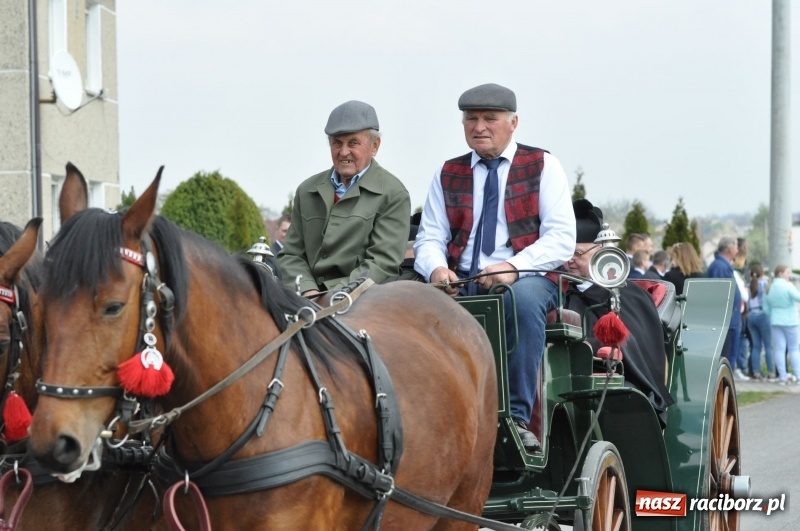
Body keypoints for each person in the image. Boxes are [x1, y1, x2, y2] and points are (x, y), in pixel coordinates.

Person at [414, 83, 575, 451]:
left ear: (513, 123)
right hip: (461, 277)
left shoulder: (543, 165)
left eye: (490, 118)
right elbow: (430, 236)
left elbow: (561, 238)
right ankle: (428, 416)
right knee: (410, 306)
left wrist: (514, 267)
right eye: (471, 119)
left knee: (519, 300)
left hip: (530, 277)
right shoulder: (447, 172)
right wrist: (436, 270)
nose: (479, 127)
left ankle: (515, 418)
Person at [279, 101, 411, 296]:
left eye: (353, 143)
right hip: (306, 299)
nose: (343, 152)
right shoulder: (307, 190)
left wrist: (333, 297)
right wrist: (308, 290)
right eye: (337, 143)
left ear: (375, 146)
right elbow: (291, 254)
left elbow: (382, 263)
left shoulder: (393, 194)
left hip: (362, 301)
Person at [566, 199, 674, 426]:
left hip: (620, 378)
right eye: (566, 252)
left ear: (600, 253)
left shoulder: (629, 296)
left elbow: (636, 344)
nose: (570, 260)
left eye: (577, 253)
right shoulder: (559, 291)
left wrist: (587, 345)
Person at [707, 236, 748, 381]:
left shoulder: (724, 265)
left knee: (729, 358)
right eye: (736, 247)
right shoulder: (719, 266)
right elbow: (719, 294)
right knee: (725, 359)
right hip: (727, 322)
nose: (737, 250)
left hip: (732, 320)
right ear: (730, 249)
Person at [764, 265, 800, 385]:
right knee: (794, 348)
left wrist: (774, 313)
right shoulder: (788, 286)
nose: (789, 275)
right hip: (790, 321)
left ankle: (782, 376)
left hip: (776, 321)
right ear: (780, 273)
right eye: (787, 272)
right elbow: (798, 297)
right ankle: (798, 375)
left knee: (779, 349)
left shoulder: (769, 287)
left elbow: (766, 308)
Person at [747, 264, 774, 380]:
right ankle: (771, 372)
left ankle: (756, 372)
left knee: (756, 346)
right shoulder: (764, 284)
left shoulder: (748, 285)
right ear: (761, 273)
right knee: (768, 346)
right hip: (763, 315)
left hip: (750, 317)